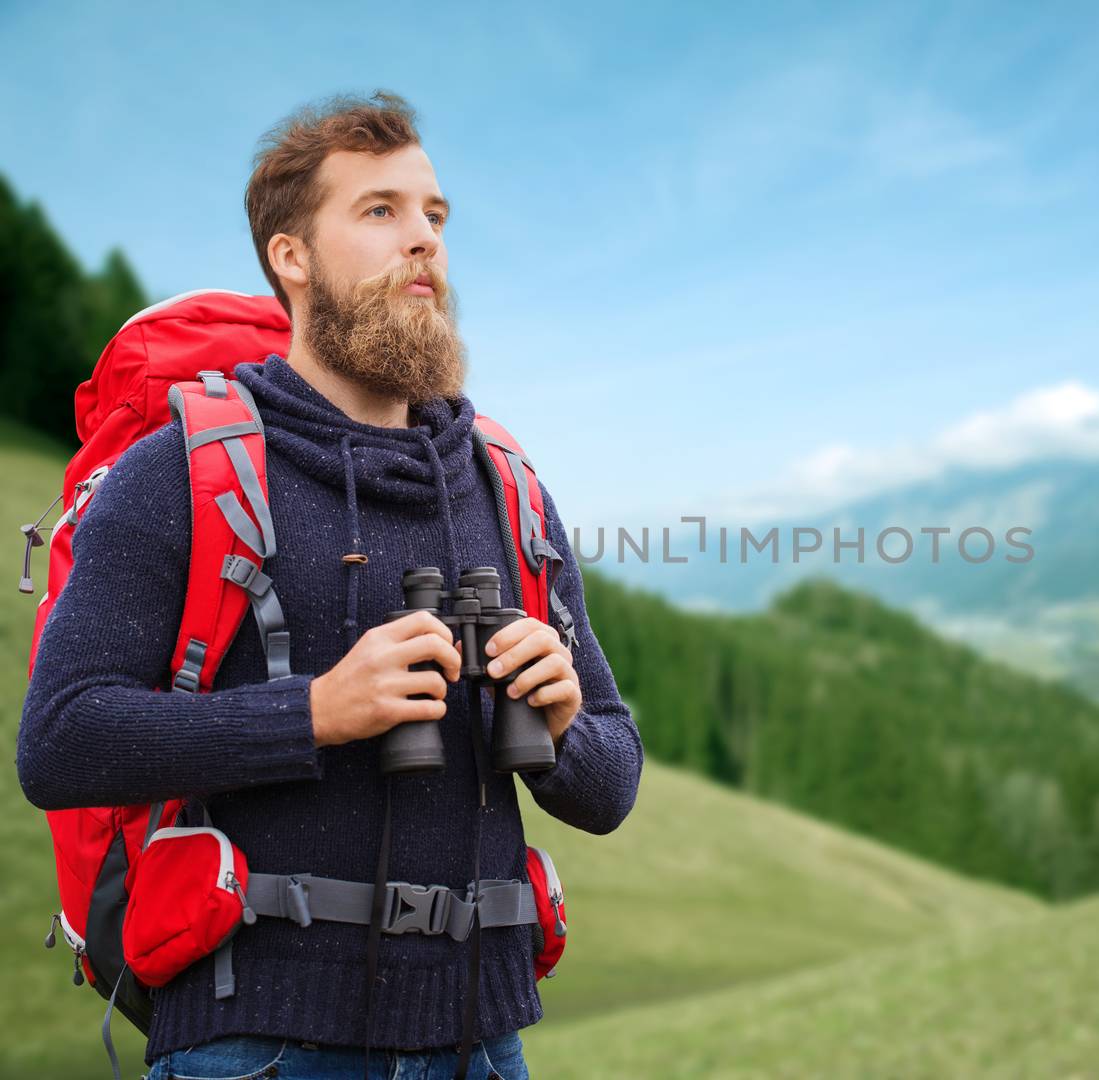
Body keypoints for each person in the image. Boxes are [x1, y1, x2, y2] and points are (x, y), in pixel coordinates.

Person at [16, 90, 643, 1080]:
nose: (423, 241)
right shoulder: (183, 474)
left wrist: (564, 726)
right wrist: (316, 711)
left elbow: (611, 784)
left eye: (434, 215)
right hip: (256, 1046)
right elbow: (60, 742)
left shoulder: (506, 488)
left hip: (485, 1046)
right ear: (290, 256)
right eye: (380, 211)